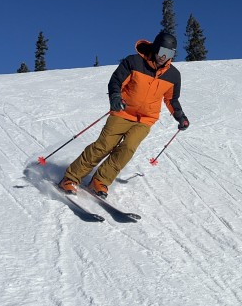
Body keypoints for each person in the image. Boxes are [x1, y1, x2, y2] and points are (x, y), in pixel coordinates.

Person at [59, 31, 189, 198]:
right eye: (163, 51)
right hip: (122, 112)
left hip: (145, 120)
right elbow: (116, 81)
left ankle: (100, 181)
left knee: (127, 149)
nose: (165, 57)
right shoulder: (134, 62)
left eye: (170, 54)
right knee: (104, 146)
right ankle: (71, 177)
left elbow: (172, 100)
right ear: (156, 48)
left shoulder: (173, 75)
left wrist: (181, 117)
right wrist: (115, 96)